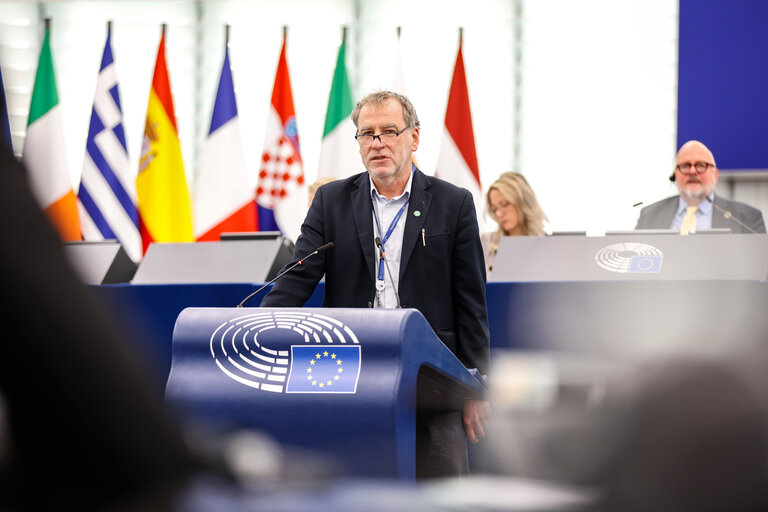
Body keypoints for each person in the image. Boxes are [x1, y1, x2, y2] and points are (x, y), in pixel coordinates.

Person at [260, 90, 491, 478]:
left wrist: (475, 386)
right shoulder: (331, 201)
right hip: (350, 372)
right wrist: (255, 328)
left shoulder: (454, 203)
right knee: (353, 484)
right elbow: (297, 278)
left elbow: (471, 304)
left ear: (414, 137)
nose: (378, 143)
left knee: (440, 487)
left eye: (389, 131)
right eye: (367, 134)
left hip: (432, 373)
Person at [635, 140, 766, 234]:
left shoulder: (747, 218)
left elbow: (759, 267)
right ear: (675, 175)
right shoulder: (649, 215)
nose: (692, 171)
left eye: (700, 165)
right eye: (685, 166)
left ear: (715, 174)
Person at [482, 172, 548, 276]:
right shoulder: (485, 243)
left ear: (523, 203)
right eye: (494, 209)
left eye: (504, 204)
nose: (499, 214)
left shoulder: (547, 245)